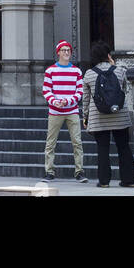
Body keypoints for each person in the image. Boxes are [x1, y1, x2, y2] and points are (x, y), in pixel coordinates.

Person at [81, 40, 134, 188]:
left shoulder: (89, 74)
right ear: (108, 55)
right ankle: (128, 180)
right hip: (119, 115)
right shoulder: (119, 71)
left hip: (98, 117)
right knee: (123, 147)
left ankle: (104, 181)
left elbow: (85, 99)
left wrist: (85, 116)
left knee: (103, 149)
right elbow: (124, 90)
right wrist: (113, 66)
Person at [42, 40, 86, 181]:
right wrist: (55, 102)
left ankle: (79, 171)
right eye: (64, 50)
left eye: (68, 50)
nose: (66, 52)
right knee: (51, 143)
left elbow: (80, 91)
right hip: (55, 111)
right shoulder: (50, 71)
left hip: (72, 110)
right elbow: (46, 90)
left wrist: (68, 101)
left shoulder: (76, 71)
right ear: (58, 53)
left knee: (77, 142)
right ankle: (49, 171)